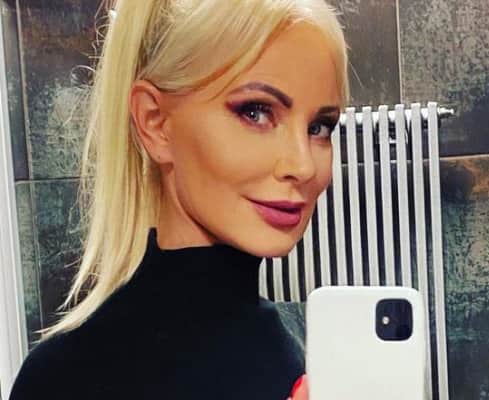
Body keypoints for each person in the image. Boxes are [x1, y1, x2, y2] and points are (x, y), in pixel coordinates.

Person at [8, 0, 348, 399]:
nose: (303, 166)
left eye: (319, 127)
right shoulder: (62, 379)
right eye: (256, 112)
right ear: (156, 122)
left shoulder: (315, 356)